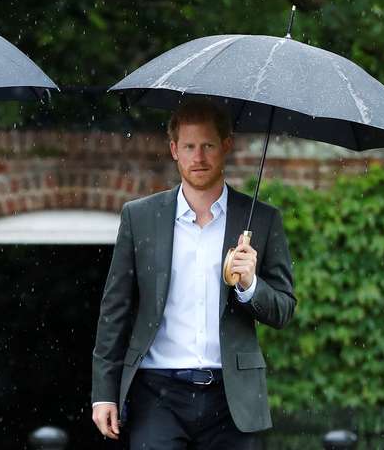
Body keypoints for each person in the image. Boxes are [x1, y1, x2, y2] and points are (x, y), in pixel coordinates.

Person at [91, 98, 296, 449]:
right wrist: (103, 394)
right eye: (188, 146)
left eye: (208, 146)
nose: (198, 157)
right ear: (174, 150)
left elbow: (283, 309)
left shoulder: (261, 220)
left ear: (226, 146)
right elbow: (116, 311)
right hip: (157, 393)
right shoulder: (139, 217)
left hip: (232, 397)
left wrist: (250, 285)